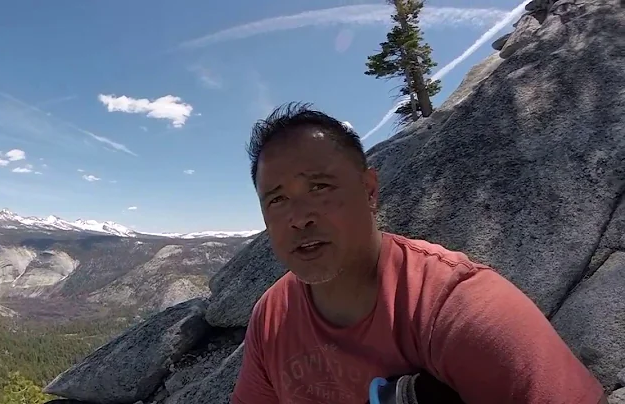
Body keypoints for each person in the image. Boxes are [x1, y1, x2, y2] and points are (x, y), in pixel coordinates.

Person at [230, 102, 607, 404]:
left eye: (319, 186)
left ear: (369, 190)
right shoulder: (272, 316)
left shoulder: (460, 308)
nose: (298, 218)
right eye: (277, 199)